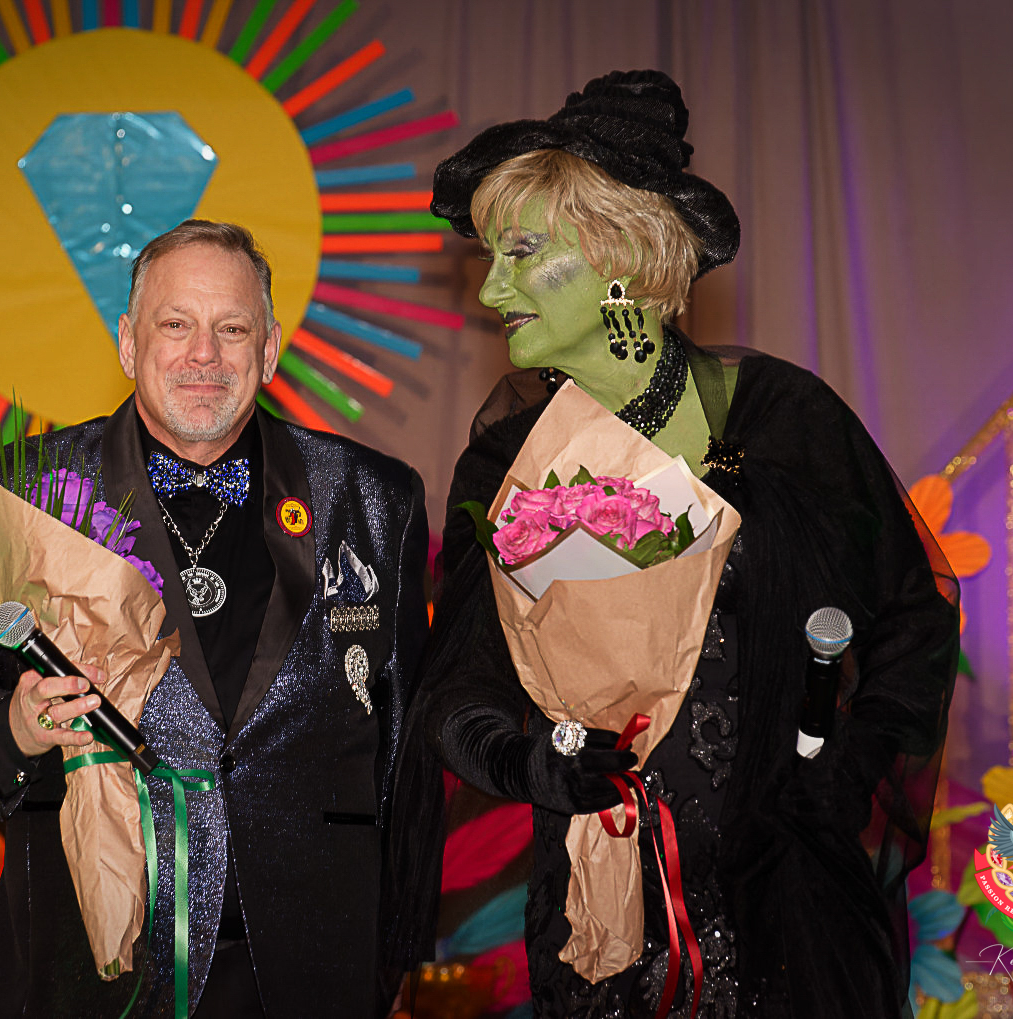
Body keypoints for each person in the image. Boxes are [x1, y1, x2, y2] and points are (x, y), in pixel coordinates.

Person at [387, 71, 959, 1018]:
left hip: (789, 909)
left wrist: (840, 771)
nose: (491, 287)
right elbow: (456, 685)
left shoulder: (783, 418)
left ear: (620, 254)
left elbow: (913, 619)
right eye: (492, 256)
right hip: (597, 910)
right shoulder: (505, 460)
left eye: (523, 253)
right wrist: (533, 762)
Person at [0, 219, 429, 1018]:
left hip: (316, 967)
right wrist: (13, 723)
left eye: (232, 329)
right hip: (92, 969)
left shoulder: (374, 496)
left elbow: (406, 752)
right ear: (128, 342)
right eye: (175, 324)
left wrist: (394, 956)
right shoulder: (20, 492)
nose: (203, 354)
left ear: (270, 349)